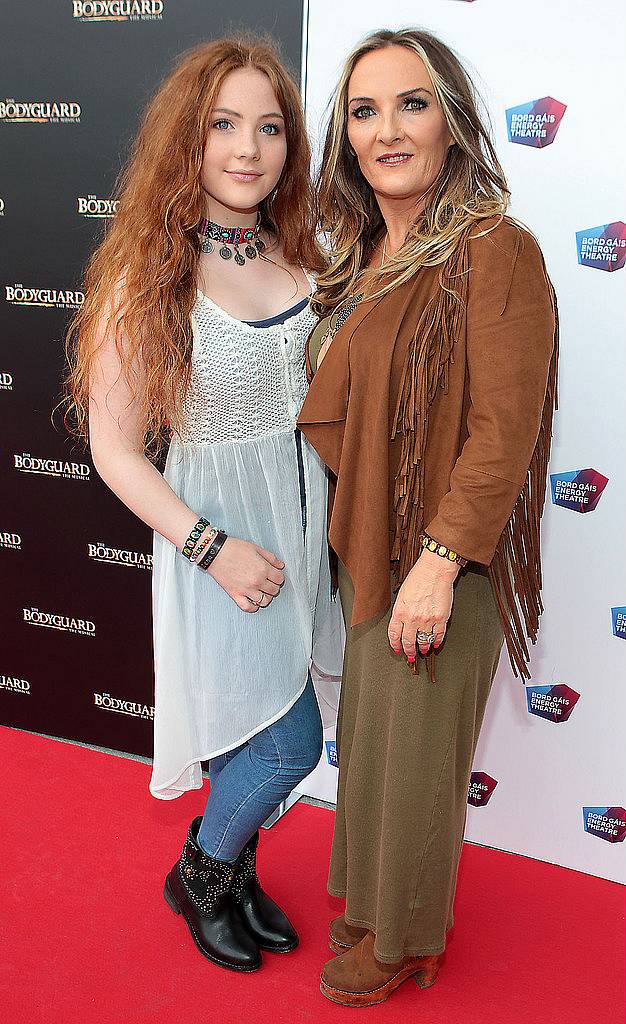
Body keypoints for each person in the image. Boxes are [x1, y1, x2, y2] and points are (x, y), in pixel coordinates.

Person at [62, 35, 342, 974]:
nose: (248, 148)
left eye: (269, 127)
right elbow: (112, 449)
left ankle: (237, 875)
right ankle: (204, 868)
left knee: (254, 728)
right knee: (285, 741)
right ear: (189, 138)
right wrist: (212, 547)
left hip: (302, 532)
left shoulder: (304, 256)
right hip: (216, 544)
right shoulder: (149, 278)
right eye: (224, 124)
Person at [297, 28, 559, 1007]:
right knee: (375, 746)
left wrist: (438, 560)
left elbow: (503, 427)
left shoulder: (493, 250)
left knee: (412, 764)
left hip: (443, 559)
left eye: (410, 104)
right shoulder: (364, 252)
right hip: (376, 546)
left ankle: (405, 939)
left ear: (450, 122)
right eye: (363, 111)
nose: (385, 129)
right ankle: (376, 903)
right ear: (345, 138)